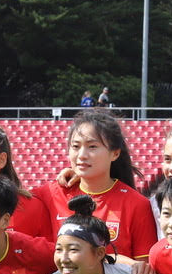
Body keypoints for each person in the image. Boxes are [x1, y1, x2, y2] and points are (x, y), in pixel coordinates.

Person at [33, 110, 155, 263]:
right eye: (76, 146)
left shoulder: (137, 204)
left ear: (115, 153)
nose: (82, 155)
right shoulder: (51, 194)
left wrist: (100, 261)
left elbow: (143, 269)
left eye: (92, 147)